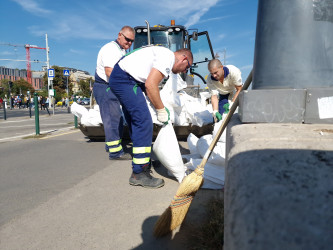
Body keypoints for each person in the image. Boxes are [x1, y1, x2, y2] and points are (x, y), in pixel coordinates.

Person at [109, 46, 193, 188]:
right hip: (125, 79)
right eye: (187, 67)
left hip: (125, 78)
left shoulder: (161, 53)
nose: (185, 71)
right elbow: (150, 84)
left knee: (137, 122)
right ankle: (139, 173)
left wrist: (158, 106)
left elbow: (148, 85)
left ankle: (142, 162)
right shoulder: (168, 57)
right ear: (184, 59)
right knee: (143, 122)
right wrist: (160, 110)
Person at [93, 26, 135, 161]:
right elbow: (110, 73)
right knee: (112, 118)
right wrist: (125, 91)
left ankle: (111, 145)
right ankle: (116, 153)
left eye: (131, 41)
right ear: (119, 35)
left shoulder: (120, 50)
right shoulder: (111, 49)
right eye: (127, 40)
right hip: (106, 87)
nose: (129, 43)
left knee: (117, 118)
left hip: (109, 87)